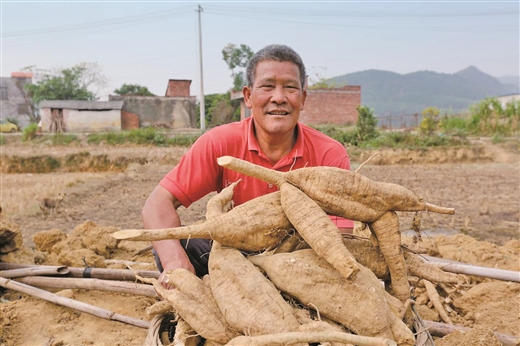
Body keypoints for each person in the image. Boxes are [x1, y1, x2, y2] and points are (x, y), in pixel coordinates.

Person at [142, 44, 353, 287]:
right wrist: (175, 261)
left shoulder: (329, 154)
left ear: (303, 98)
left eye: (290, 88)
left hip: (301, 261)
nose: (279, 98)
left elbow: (341, 237)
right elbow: (156, 203)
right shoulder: (220, 142)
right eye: (267, 86)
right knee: (172, 245)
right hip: (233, 254)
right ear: (248, 96)